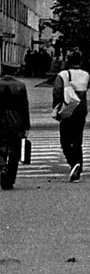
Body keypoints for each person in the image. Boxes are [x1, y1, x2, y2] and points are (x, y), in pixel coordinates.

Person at [53, 50, 89, 183]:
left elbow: (57, 92)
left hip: (68, 109)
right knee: (78, 141)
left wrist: (56, 109)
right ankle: (78, 167)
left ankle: (74, 164)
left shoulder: (63, 75)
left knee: (65, 141)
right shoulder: (86, 75)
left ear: (68, 60)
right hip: (81, 109)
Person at [0, 60, 31, 190]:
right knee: (15, 150)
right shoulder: (21, 85)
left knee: (0, 146)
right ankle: (10, 179)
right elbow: (24, 106)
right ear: (15, 71)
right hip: (16, 120)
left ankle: (2, 167)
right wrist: (26, 125)